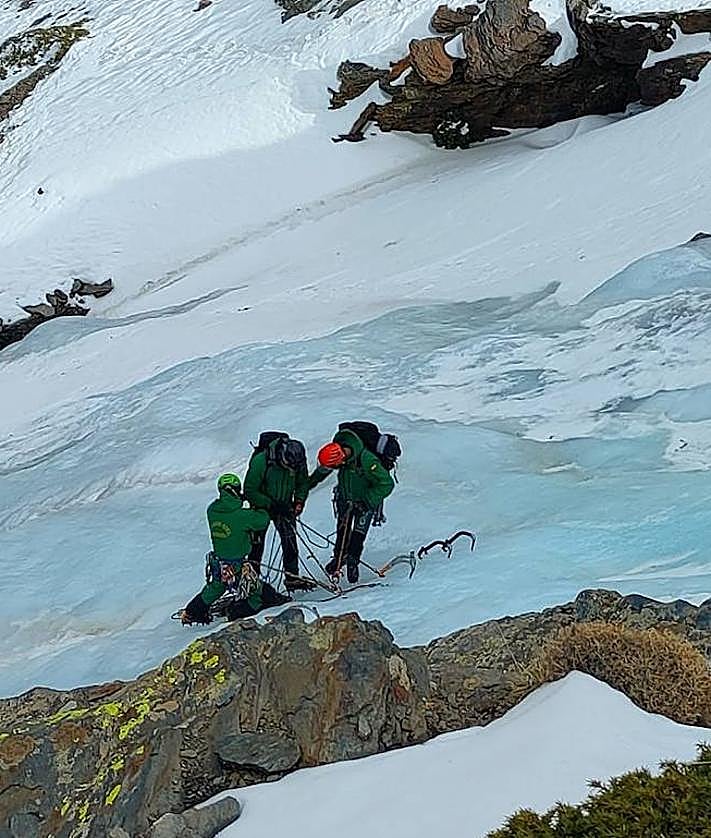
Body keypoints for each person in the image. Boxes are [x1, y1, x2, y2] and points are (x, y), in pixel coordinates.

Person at [180, 473, 290, 625]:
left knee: (216, 588)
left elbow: (230, 513)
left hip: (219, 562)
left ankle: (192, 611)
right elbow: (262, 520)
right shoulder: (242, 516)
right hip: (238, 566)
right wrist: (262, 505)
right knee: (257, 593)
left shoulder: (212, 511)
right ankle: (236, 611)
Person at [309, 426, 395, 583]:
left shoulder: (367, 460)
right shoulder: (338, 453)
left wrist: (367, 501)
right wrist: (307, 486)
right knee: (342, 530)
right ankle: (339, 559)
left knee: (358, 534)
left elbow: (386, 483)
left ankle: (353, 563)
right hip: (344, 497)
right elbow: (322, 472)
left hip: (365, 501)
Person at [243, 434, 313, 592]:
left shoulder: (298, 462)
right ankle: (251, 580)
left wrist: (299, 501)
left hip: (285, 505)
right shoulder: (262, 461)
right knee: (256, 544)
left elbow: (302, 482)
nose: (292, 469)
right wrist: (270, 504)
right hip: (261, 507)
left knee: (290, 542)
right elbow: (249, 489)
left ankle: (292, 577)